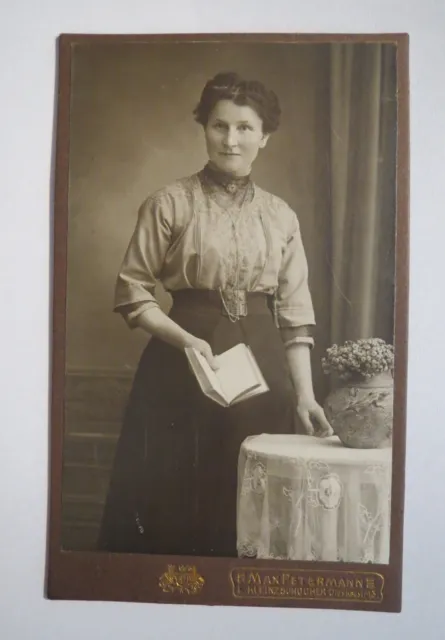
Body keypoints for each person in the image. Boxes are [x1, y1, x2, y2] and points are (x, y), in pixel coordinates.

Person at [98, 71, 332, 558]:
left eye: (245, 128)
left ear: (264, 136)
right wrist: (185, 340)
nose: (231, 140)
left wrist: (306, 397)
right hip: (179, 363)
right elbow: (133, 292)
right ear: (204, 129)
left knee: (250, 494)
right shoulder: (169, 203)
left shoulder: (281, 216)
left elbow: (293, 314)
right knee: (177, 498)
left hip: (261, 369)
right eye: (220, 126)